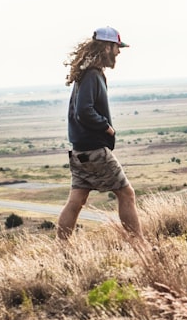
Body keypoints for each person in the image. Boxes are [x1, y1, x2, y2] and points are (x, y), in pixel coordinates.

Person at [56, 26, 143, 240]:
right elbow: (84, 111)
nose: (118, 52)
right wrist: (107, 127)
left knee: (76, 202)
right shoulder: (92, 75)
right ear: (106, 46)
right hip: (94, 151)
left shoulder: (86, 73)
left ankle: (62, 248)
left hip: (79, 152)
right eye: (116, 47)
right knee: (126, 194)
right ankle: (140, 245)